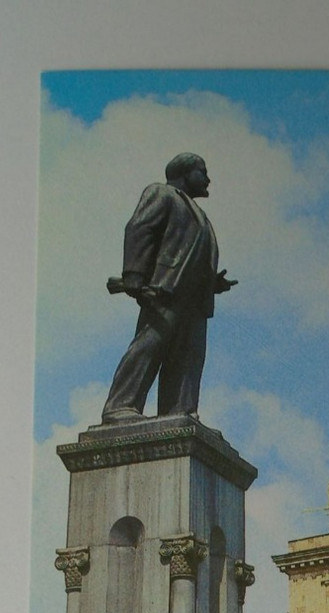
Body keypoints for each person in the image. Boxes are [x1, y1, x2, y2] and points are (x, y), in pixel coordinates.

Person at [101, 153, 234, 423]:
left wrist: (211, 283)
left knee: (188, 356)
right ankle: (119, 406)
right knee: (149, 346)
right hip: (165, 291)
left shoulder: (201, 216)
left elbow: (191, 254)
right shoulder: (162, 194)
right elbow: (140, 229)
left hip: (194, 300)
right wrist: (134, 276)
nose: (208, 179)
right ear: (184, 172)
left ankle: (178, 411)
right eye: (202, 171)